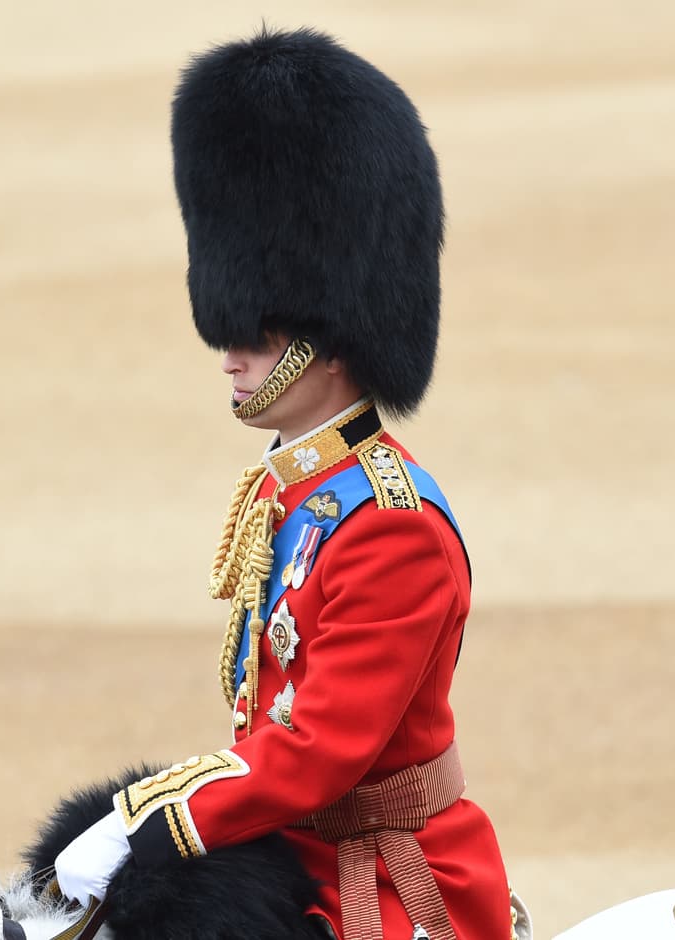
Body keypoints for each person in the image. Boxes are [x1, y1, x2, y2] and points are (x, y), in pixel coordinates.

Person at [52, 28, 523, 939]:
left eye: (259, 334)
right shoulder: (293, 494)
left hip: (383, 886)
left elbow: (318, 753)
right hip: (284, 852)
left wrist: (153, 823)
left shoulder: (391, 524)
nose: (231, 354)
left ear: (330, 336)